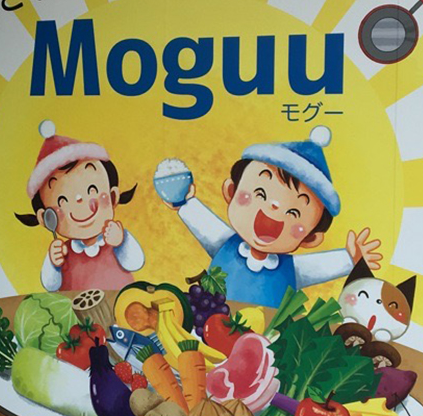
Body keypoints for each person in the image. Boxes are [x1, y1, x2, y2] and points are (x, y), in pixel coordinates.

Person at [158, 126, 380, 308]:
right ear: (231, 191)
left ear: (310, 238)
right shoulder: (225, 243)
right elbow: (205, 225)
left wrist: (349, 259)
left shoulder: (291, 270)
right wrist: (184, 203)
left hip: (266, 340)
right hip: (207, 325)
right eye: (260, 194)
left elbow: (317, 266)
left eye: (294, 213)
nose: (275, 207)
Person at [16, 121, 145, 291]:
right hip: (75, 307)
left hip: (121, 303)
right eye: (62, 201)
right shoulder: (63, 251)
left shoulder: (115, 238)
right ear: (45, 218)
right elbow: (50, 286)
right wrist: (54, 264)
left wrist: (122, 242)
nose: (79, 202)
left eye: (92, 190)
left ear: (113, 196)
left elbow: (136, 263)